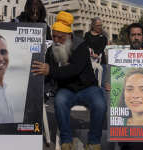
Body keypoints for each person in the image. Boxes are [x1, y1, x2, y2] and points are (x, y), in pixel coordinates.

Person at [31, 11, 106, 150]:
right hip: (66, 89)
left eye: (60, 37)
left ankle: (94, 141)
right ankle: (66, 139)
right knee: (60, 101)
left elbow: (74, 70)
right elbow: (47, 72)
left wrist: (50, 71)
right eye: (54, 36)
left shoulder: (81, 47)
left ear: (69, 35)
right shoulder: (51, 50)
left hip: (87, 88)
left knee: (100, 104)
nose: (56, 40)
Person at [84, 17, 108, 87]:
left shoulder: (103, 36)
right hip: (89, 62)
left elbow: (102, 47)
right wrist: (91, 53)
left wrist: (96, 54)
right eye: (98, 25)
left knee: (101, 84)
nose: (100, 27)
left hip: (100, 62)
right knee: (89, 84)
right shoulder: (87, 35)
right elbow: (85, 46)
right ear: (93, 25)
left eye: (101, 25)